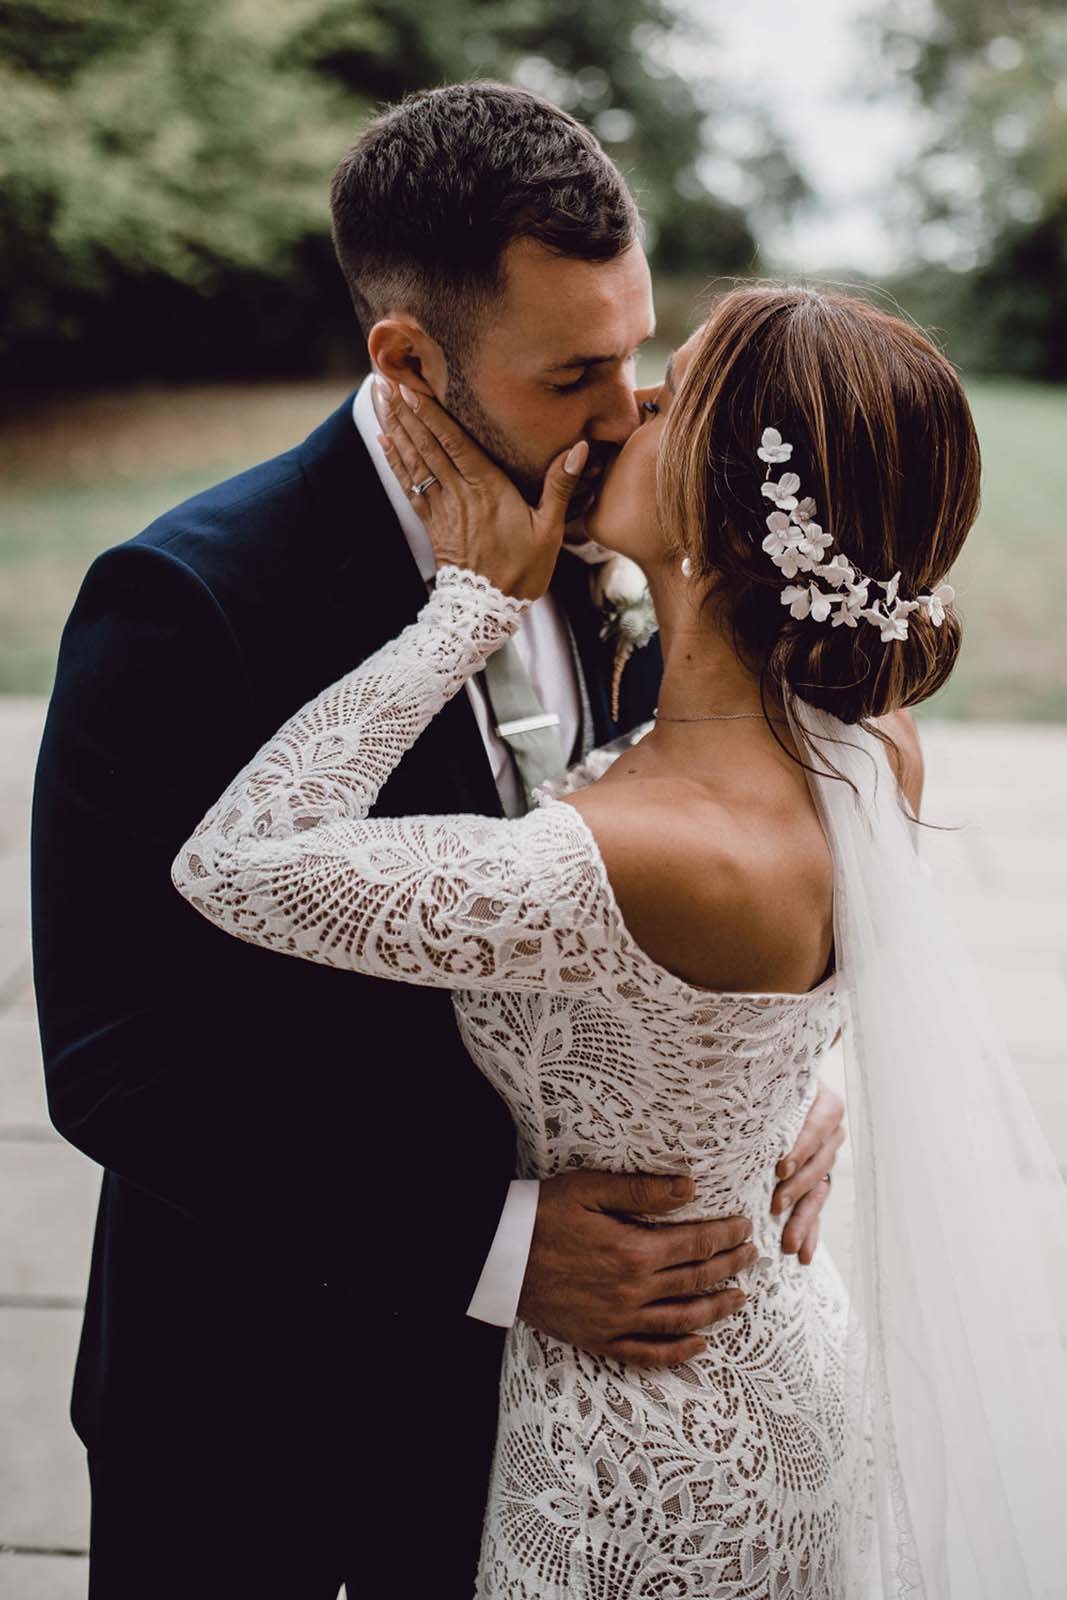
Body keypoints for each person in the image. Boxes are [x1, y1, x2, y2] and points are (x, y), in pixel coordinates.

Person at [30, 84, 842, 1598]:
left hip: (529, 1433)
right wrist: (494, 1243)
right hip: (256, 1399)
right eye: (572, 375)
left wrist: (783, 1066)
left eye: (638, 353)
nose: (626, 417)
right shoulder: (183, 601)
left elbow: (714, 844)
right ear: (408, 359)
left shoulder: (624, 549)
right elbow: (117, 1058)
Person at [172, 279, 1067, 1595]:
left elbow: (234, 867)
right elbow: (736, 1011)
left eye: (669, 395)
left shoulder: (641, 850)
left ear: (724, 503)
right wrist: (774, 1096)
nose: (624, 407)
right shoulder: (870, 741)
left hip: (637, 1454)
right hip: (779, 1368)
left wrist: (464, 611)